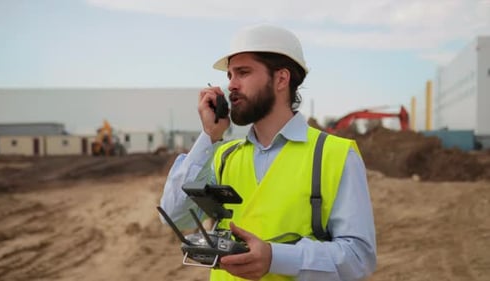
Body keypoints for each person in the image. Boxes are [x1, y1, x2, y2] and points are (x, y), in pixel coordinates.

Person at [160, 23, 376, 281]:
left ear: (281, 79)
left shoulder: (335, 155)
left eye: (243, 72)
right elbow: (174, 215)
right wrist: (209, 136)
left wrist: (276, 258)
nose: (231, 85)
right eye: (229, 75)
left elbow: (359, 258)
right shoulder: (223, 156)